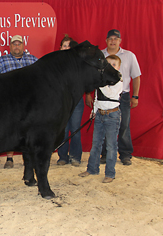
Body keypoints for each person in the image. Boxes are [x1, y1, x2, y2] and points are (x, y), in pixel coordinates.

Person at [85, 29, 141, 166]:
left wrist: (135, 96)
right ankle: (105, 154)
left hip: (123, 96)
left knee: (123, 124)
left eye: (116, 39)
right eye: (110, 38)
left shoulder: (129, 56)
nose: (113, 41)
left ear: (120, 41)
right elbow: (91, 76)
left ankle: (125, 154)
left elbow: (136, 76)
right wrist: (88, 94)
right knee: (103, 123)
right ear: (106, 40)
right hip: (103, 95)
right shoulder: (100, 55)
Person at [0, 35, 38, 169]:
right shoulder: (1, 61)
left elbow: (41, 80)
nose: (17, 46)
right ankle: (9, 158)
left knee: (30, 130)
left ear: (24, 46)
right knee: (11, 130)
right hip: (9, 103)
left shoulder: (33, 60)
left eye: (19, 44)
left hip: (30, 103)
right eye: (14, 44)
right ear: (10, 46)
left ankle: (28, 158)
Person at [79, 55, 123, 183]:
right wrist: (94, 111)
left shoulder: (118, 79)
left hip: (112, 115)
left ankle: (110, 173)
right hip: (100, 114)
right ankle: (92, 169)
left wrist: (100, 82)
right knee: (95, 144)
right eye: (109, 64)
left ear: (118, 67)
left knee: (111, 146)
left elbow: (110, 94)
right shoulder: (102, 79)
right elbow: (97, 97)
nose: (111, 67)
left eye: (114, 64)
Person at [56, 35, 84, 167]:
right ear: (60, 48)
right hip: (61, 101)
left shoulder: (79, 64)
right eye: (65, 45)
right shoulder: (54, 64)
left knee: (75, 129)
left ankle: (75, 157)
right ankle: (62, 156)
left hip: (76, 100)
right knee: (62, 128)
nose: (67, 48)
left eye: (69, 46)